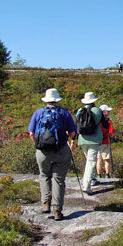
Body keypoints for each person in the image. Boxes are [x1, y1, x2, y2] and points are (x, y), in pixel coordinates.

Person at [28, 88, 76, 221]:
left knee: (44, 175)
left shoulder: (39, 113)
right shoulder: (64, 113)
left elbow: (31, 133)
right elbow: (72, 132)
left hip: (42, 151)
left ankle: (45, 204)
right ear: (57, 100)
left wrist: (38, 145)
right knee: (59, 179)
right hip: (61, 150)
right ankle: (57, 210)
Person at [76, 92, 105, 195]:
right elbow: (105, 124)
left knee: (89, 161)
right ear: (94, 101)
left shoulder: (80, 111)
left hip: (82, 139)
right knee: (91, 162)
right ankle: (86, 185)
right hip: (94, 139)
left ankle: (91, 179)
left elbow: (77, 125)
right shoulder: (98, 110)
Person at [93, 104, 123, 182]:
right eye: (108, 111)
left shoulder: (96, 120)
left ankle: (99, 175)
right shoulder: (107, 121)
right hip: (105, 142)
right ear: (104, 112)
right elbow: (112, 132)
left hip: (97, 142)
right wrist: (122, 133)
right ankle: (107, 175)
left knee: (99, 159)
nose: (109, 112)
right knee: (107, 159)